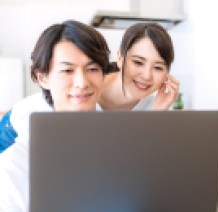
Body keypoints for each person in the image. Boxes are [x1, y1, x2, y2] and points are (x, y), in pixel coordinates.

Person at [0, 20, 194, 212]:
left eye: (92, 69)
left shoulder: (131, 139)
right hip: (8, 128)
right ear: (42, 77)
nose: (81, 82)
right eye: (67, 70)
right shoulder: (17, 152)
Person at [0, 22, 179, 153]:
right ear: (120, 58)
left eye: (158, 67)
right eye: (138, 62)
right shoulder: (83, 92)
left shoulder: (156, 106)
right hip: (14, 128)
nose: (146, 76)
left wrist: (158, 116)